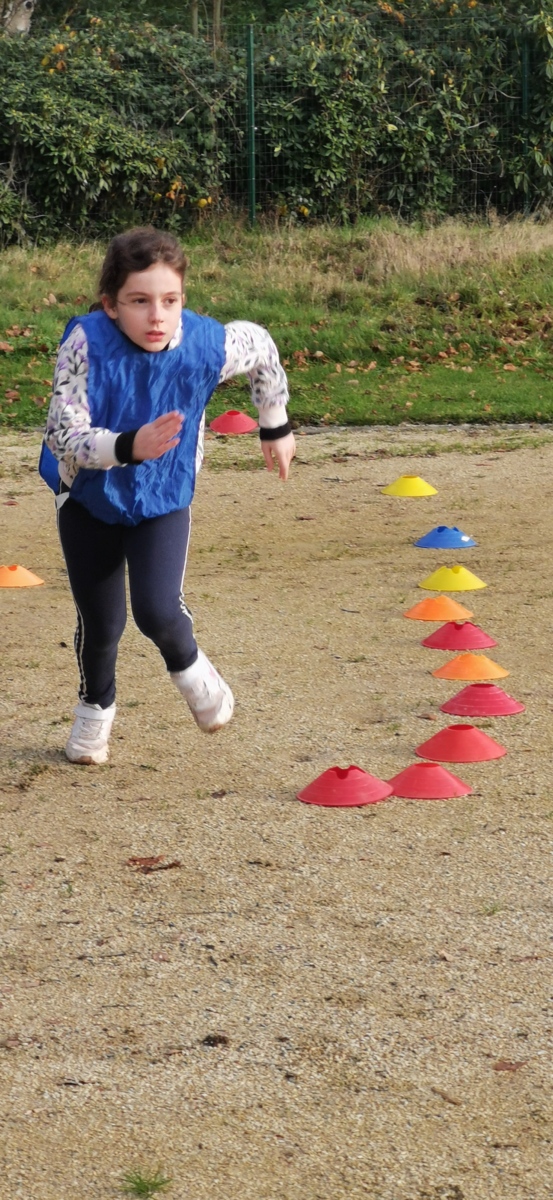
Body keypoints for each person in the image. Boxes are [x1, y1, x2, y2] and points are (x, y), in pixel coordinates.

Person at [44, 226, 296, 765]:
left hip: (163, 497)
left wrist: (274, 421)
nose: (157, 316)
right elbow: (62, 432)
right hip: (88, 497)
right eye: (139, 301)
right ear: (111, 305)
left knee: (157, 610)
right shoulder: (86, 343)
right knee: (102, 623)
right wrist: (128, 446)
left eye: (170, 300)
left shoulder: (205, 344)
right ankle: (94, 710)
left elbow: (260, 345)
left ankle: (193, 670)